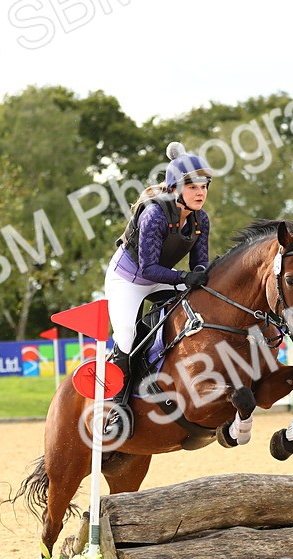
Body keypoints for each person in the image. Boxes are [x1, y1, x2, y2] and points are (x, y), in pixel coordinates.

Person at [102, 141, 213, 439]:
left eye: (204, 186)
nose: (200, 192)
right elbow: (148, 269)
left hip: (162, 276)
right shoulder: (154, 215)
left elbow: (200, 263)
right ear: (176, 188)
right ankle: (115, 407)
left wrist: (199, 276)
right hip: (129, 278)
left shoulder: (201, 219)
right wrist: (183, 277)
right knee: (126, 333)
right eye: (193, 187)